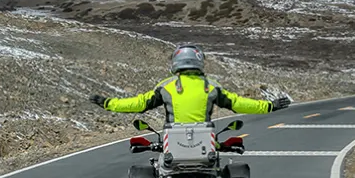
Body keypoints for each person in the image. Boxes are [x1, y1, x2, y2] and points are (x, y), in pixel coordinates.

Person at [89, 44, 291, 122]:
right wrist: (269, 106)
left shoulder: (166, 86)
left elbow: (139, 103)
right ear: (200, 62)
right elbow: (238, 103)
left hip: (173, 149)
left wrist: (109, 103)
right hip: (206, 149)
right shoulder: (211, 86)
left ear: (175, 64)